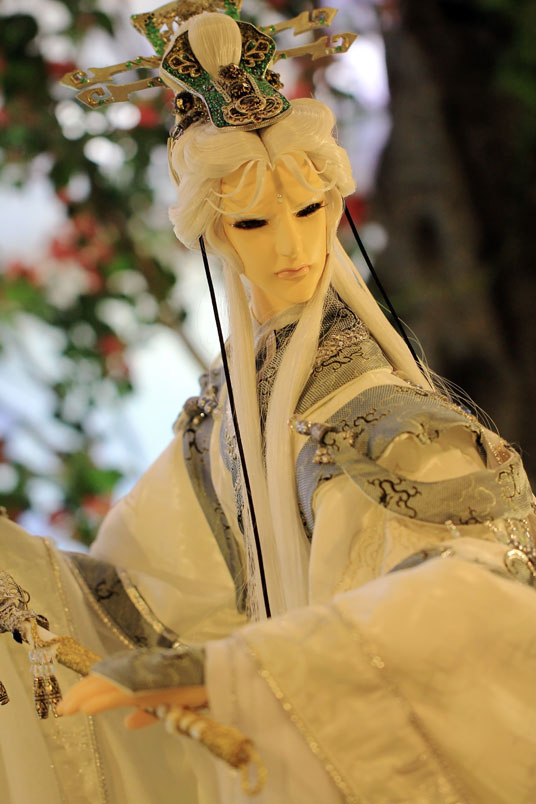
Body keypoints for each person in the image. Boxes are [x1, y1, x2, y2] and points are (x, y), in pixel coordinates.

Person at [2, 6, 536, 803]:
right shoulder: (231, 403)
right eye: (254, 221)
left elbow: (474, 592)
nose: (291, 246)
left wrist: (250, 671)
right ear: (216, 233)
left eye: (310, 209)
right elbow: (142, 593)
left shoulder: (379, 420)